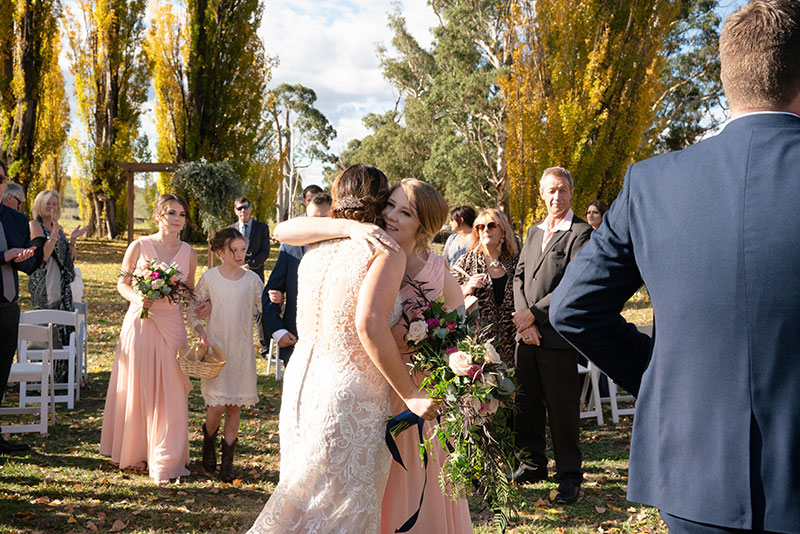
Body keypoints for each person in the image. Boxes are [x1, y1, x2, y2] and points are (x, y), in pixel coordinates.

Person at [550, 2, 800, 532]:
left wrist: (665, 376)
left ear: (727, 77)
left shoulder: (653, 183)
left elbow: (573, 308)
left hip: (693, 480)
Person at [246, 164, 438, 533]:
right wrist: (411, 393)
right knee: (342, 510)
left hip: (303, 381)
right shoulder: (385, 250)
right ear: (380, 203)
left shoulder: (316, 243)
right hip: (351, 394)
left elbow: (285, 230)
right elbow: (368, 324)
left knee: (300, 498)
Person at [100, 193, 198, 485]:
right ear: (159, 215)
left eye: (181, 214)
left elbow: (189, 292)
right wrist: (137, 298)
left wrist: (197, 312)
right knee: (139, 387)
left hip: (171, 325)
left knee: (171, 391)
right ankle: (136, 452)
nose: (177, 219)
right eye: (171, 213)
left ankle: (164, 460)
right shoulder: (139, 245)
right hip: (140, 323)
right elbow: (122, 282)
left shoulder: (189, 252)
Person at [511, 166, 592, 504]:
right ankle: (532, 465)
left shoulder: (581, 233)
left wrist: (536, 315)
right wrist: (523, 320)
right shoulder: (532, 232)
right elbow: (518, 276)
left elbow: (574, 283)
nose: (556, 196)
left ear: (571, 192)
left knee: (562, 410)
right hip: (525, 336)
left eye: (562, 190)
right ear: (541, 194)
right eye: (550, 191)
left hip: (557, 338)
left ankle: (570, 476)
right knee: (526, 403)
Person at [188, 228, 262, 483]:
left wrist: (276, 300)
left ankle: (227, 462)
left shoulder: (252, 280)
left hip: (242, 351)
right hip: (216, 350)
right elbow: (192, 310)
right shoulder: (210, 278)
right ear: (220, 252)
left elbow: (265, 307)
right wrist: (200, 331)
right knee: (217, 405)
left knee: (234, 407)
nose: (240, 255)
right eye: (235, 250)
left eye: (243, 249)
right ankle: (208, 441)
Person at [263, 192, 331, 365]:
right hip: (295, 342)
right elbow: (270, 293)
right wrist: (279, 331)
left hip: (332, 346)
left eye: (322, 219)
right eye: (311, 219)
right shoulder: (290, 248)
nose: (315, 225)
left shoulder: (346, 251)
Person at [0, 162, 40, 454]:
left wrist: (28, 254)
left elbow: (28, 265)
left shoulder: (15, 219)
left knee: (1, 372)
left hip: (8, 306)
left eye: (0, 178)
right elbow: (6, 255)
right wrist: (4, 255)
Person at [451, 208, 519, 366]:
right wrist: (466, 288)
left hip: (512, 346)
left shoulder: (517, 262)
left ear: (503, 231)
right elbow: (447, 298)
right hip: (478, 349)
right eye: (480, 227)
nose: (485, 230)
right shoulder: (466, 261)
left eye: (491, 225)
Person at [27, 190, 88, 348]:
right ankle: (44, 368)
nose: (52, 207)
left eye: (55, 204)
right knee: (46, 329)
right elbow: (44, 256)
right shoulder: (34, 225)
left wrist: (72, 240)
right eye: (48, 203)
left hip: (62, 285)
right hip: (44, 285)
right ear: (40, 205)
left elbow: (68, 260)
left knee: (64, 329)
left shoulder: (58, 228)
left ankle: (63, 370)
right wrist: (54, 231)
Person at [229, 197, 270, 358]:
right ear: (235, 210)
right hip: (234, 276)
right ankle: (235, 347)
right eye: (239, 208)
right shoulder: (230, 230)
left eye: (245, 207)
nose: (243, 211)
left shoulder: (262, 228)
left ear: (250, 208)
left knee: (261, 312)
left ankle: (265, 348)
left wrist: (249, 265)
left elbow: (265, 252)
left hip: (255, 275)